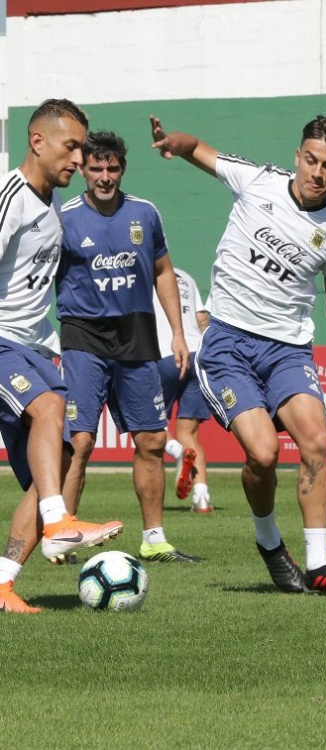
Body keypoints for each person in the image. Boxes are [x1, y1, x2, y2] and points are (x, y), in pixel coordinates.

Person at [150, 111, 326, 595]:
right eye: (311, 160)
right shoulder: (258, 182)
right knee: (264, 453)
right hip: (228, 343)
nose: (317, 173)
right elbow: (198, 149)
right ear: (297, 156)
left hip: (288, 351)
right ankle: (270, 543)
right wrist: (175, 140)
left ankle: (318, 563)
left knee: (318, 443)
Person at [0, 100, 125, 613]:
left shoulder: (51, 205)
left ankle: (3, 582)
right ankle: (59, 521)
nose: (80, 157)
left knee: (65, 453)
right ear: (37, 142)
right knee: (51, 408)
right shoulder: (11, 198)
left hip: (30, 346)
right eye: (71, 146)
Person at [56, 131, 199, 564]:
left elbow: (163, 272)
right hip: (83, 337)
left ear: (123, 168)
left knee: (153, 440)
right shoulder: (63, 218)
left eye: (112, 168)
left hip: (137, 337)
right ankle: (63, 534)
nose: (104, 177)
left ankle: (154, 539)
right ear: (82, 169)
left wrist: (177, 331)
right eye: (96, 168)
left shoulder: (144, 214)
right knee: (79, 441)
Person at [154, 265, 213, 513]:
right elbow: (202, 319)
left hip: (166, 354)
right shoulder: (186, 276)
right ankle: (202, 498)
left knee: (150, 426)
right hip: (197, 356)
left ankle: (178, 452)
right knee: (190, 432)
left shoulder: (144, 273)